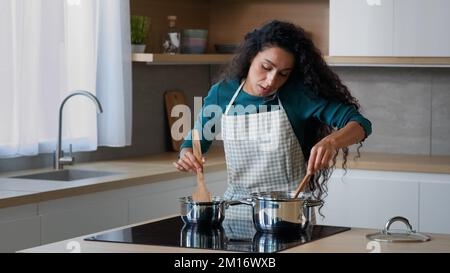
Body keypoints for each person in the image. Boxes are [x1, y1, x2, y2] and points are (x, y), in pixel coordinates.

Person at [173, 20, 372, 220]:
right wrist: (188, 154)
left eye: (283, 74)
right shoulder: (223, 93)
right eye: (266, 67)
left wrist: (332, 141)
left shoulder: (296, 96)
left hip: (287, 215)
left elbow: (360, 124)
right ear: (251, 56)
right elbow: (195, 142)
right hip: (237, 211)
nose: (271, 81)